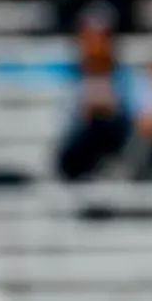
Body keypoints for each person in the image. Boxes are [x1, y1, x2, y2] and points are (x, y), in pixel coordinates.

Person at [56, 14, 135, 181]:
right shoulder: (69, 75)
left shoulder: (122, 74)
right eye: (89, 37)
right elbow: (65, 121)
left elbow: (130, 115)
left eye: (99, 38)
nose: (95, 44)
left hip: (113, 141)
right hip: (80, 144)